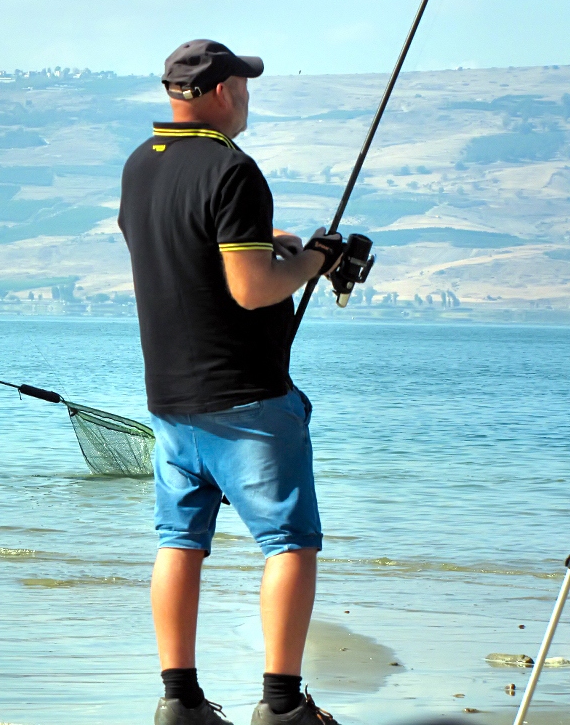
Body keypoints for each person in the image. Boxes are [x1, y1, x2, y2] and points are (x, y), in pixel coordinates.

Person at [118, 40, 350, 725]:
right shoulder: (233, 168)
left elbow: (171, 235)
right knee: (291, 543)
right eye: (243, 85)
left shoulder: (141, 164)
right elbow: (251, 291)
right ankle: (281, 706)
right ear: (220, 92)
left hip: (170, 399)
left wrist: (266, 236)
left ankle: (179, 700)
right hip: (245, 397)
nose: (248, 96)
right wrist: (310, 260)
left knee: (180, 540)